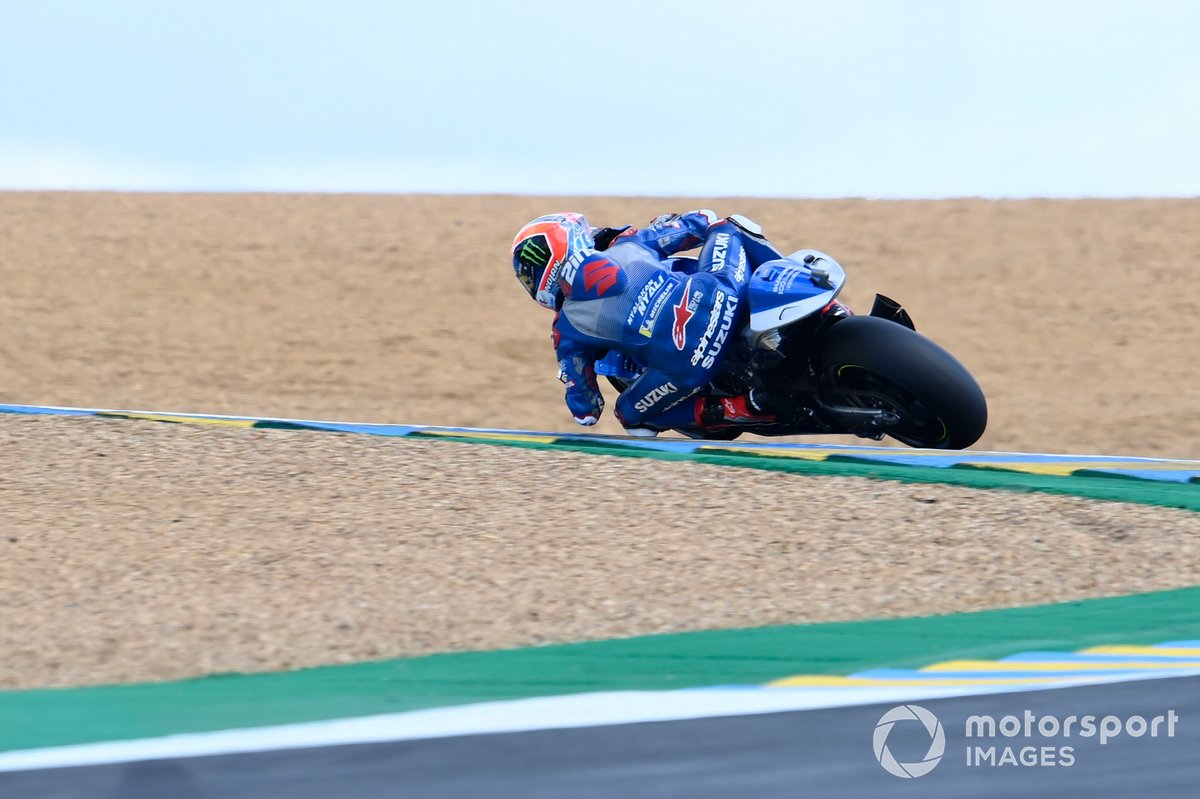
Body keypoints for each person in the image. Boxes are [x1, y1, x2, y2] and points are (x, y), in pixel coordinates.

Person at [511, 210, 783, 435]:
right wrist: (674, 220)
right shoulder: (627, 243)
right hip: (722, 296)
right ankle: (790, 278)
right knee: (729, 227)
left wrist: (572, 385)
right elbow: (700, 223)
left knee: (630, 416)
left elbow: (587, 413)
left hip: (686, 364)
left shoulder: (565, 331)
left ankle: (740, 408)